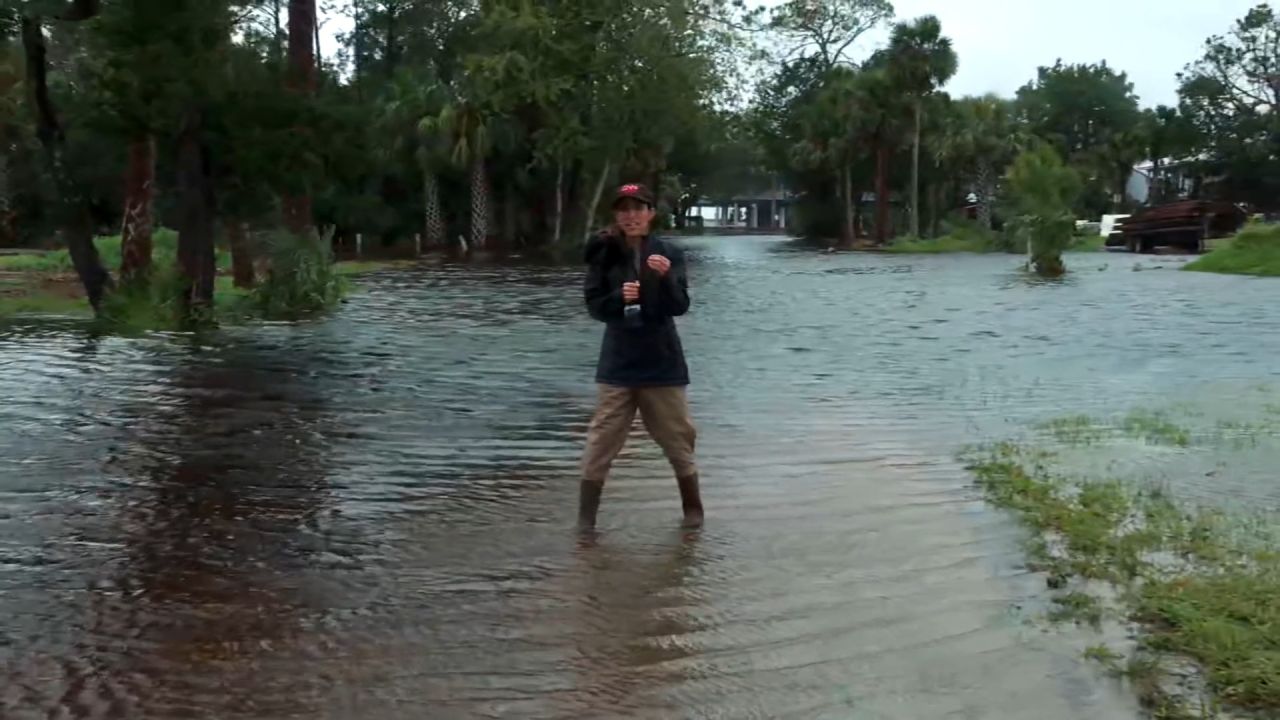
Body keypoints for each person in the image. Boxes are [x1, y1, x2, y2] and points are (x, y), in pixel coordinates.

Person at [577, 182, 702, 531]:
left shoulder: (668, 252)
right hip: (617, 364)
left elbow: (679, 306)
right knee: (600, 443)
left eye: (638, 208)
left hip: (663, 363)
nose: (630, 216)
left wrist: (664, 279)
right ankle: (586, 524)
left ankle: (693, 514)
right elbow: (594, 306)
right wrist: (619, 296)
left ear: (650, 213)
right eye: (624, 209)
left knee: (679, 440)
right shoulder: (602, 252)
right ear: (616, 214)